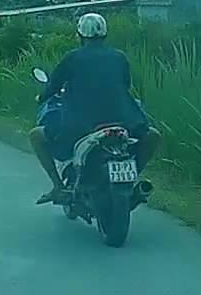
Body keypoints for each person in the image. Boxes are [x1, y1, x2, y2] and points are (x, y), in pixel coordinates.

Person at [28, 12, 161, 205]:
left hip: (82, 125)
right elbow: (125, 84)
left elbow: (53, 86)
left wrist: (40, 97)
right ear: (105, 34)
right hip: (125, 121)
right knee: (153, 135)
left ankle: (58, 187)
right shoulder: (119, 57)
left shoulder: (72, 58)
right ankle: (132, 178)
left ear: (80, 35)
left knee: (36, 136)